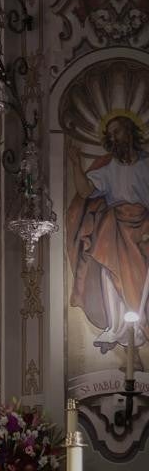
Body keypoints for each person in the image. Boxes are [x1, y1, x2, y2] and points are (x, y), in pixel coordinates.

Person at [68, 113, 149, 354]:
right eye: (110, 134)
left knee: (142, 276)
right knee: (108, 273)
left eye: (118, 131)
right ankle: (116, 326)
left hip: (143, 226)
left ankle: (137, 326)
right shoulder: (109, 168)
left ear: (130, 133)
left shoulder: (147, 164)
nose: (114, 137)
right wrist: (75, 164)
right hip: (114, 226)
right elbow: (85, 191)